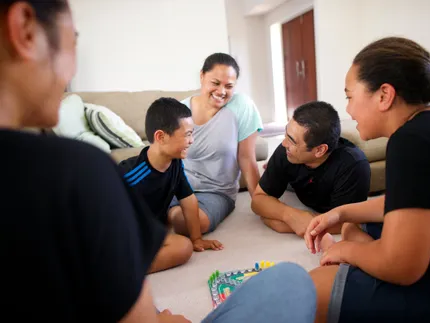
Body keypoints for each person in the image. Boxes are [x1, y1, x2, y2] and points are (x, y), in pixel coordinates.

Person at [0, 1, 319, 322]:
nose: (71, 72)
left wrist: (255, 201)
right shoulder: (82, 172)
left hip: (203, 198)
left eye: (229, 86)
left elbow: (241, 164)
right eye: (73, 44)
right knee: (292, 280)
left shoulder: (78, 176)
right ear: (25, 30)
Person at [303, 36, 430, 323]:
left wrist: (346, 250)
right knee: (350, 224)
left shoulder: (413, 141)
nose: (347, 109)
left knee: (310, 291)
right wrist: (341, 212)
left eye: (349, 96)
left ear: (384, 95)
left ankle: (361, 261)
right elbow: (411, 199)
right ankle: (364, 258)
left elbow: (402, 266)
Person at [118, 97, 223, 274]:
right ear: (161, 137)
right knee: (182, 247)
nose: (192, 141)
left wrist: (196, 238)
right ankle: (119, 272)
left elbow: (188, 200)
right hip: (123, 234)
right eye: (188, 134)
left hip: (147, 230)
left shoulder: (174, 163)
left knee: (184, 246)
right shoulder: (132, 174)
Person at [168, 53, 263, 233]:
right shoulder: (180, 110)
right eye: (215, 83)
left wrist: (261, 203)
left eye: (229, 86)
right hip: (178, 186)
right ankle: (168, 212)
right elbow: (167, 158)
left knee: (189, 222)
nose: (221, 91)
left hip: (216, 192)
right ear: (202, 76)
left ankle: (170, 215)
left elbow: (246, 158)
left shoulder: (241, 106)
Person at [251, 101, 371, 237]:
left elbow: (347, 222)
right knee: (282, 175)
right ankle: (273, 168)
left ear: (320, 150)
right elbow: (258, 200)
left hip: (326, 187)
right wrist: (289, 215)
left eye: (292, 140)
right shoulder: (286, 151)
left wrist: (286, 224)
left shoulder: (353, 166)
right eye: (286, 134)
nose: (284, 143)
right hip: (297, 179)